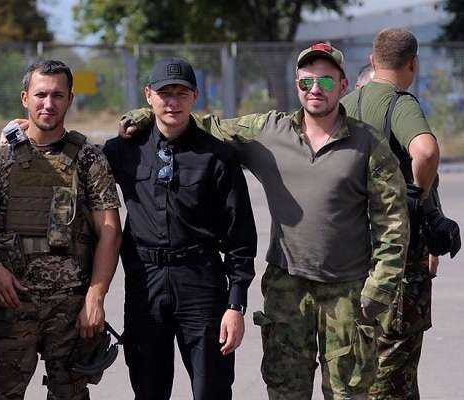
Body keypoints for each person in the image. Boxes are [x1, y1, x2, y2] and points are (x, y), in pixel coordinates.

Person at [121, 43, 410, 399]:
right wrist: (145, 115)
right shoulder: (269, 132)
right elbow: (204, 124)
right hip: (288, 288)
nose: (315, 90)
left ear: (343, 85)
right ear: (297, 86)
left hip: (348, 290)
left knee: (349, 393)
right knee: (285, 391)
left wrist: (380, 289)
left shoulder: (368, 144)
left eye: (326, 81)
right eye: (306, 82)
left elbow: (393, 223)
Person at [104, 58, 257, 400]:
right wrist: (22, 131)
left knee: (211, 389)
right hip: (146, 284)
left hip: (201, 283)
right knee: (148, 388)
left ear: (195, 97)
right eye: (164, 94)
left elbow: (241, 237)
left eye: (181, 93)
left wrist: (236, 305)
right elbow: (70, 160)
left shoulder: (217, 156)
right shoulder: (122, 151)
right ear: (149, 95)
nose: (172, 102)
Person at [0, 60, 122, 400]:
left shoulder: (89, 159)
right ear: (25, 97)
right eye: (40, 95)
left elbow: (110, 231)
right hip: (10, 305)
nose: (48, 104)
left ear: (70, 99)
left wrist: (95, 298)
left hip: (70, 308)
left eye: (57, 95)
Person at [342, 28, 460, 399]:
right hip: (398, 258)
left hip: (349, 255)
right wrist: (417, 199)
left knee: (358, 365)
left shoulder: (343, 106)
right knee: (395, 370)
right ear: (413, 63)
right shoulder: (399, 104)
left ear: (372, 60)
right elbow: (425, 152)